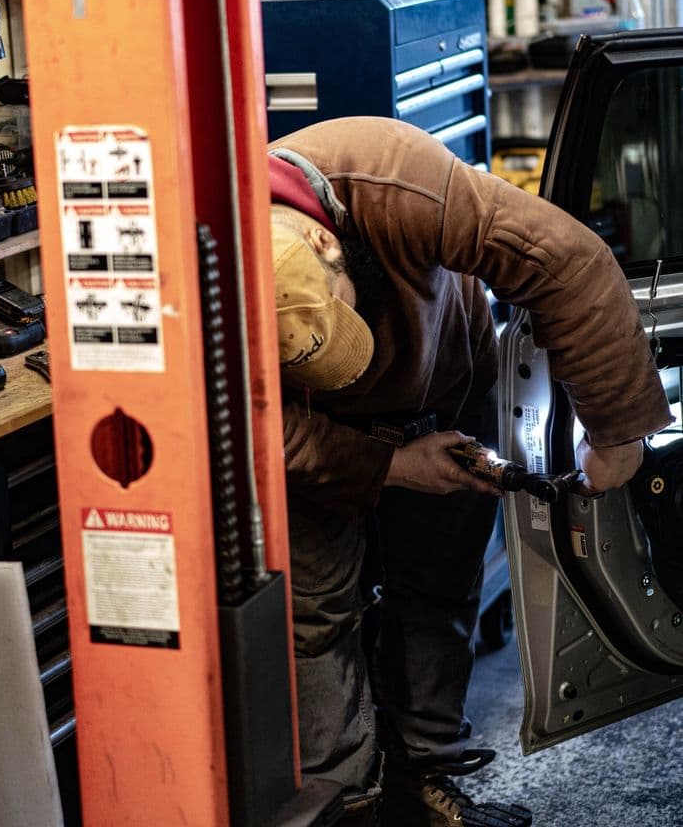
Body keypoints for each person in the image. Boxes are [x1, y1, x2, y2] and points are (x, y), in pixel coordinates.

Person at [267, 116, 672, 827]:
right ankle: (344, 808)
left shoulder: (395, 177)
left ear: (326, 241)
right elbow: (242, 426)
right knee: (313, 618)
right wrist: (387, 464)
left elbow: (567, 262)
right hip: (303, 435)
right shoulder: (201, 264)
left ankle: (425, 780)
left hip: (441, 392)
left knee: (437, 588)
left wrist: (613, 432)